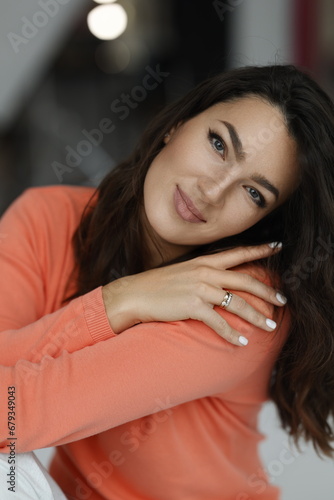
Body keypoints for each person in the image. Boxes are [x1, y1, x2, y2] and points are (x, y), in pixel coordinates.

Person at [0, 64, 333, 500]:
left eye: (254, 193)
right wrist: (121, 301)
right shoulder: (48, 218)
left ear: (264, 220)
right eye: (218, 144)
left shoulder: (242, 302)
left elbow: (18, 412)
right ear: (177, 124)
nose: (212, 191)